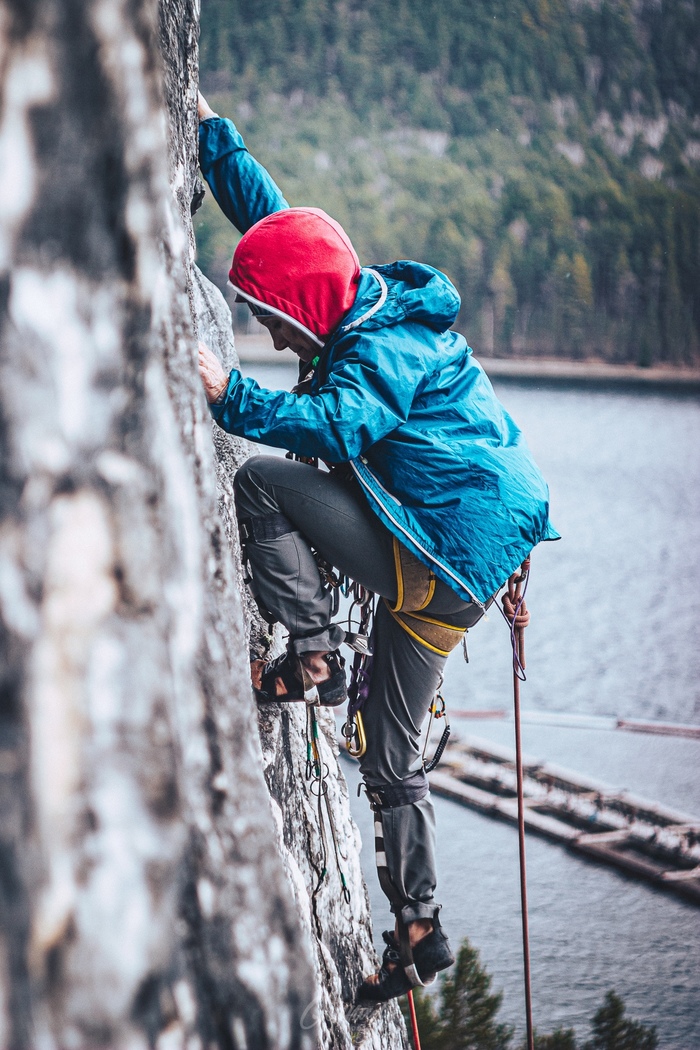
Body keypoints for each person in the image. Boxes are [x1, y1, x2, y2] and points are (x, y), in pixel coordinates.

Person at [195, 91, 558, 1002]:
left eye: (276, 324)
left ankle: (314, 650)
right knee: (391, 762)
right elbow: (280, 230)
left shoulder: (376, 357)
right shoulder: (368, 307)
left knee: (261, 484)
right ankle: (422, 935)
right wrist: (210, 137)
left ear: (308, 316)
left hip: (437, 556)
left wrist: (228, 393)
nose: (272, 334)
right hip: (466, 572)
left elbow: (332, 427)